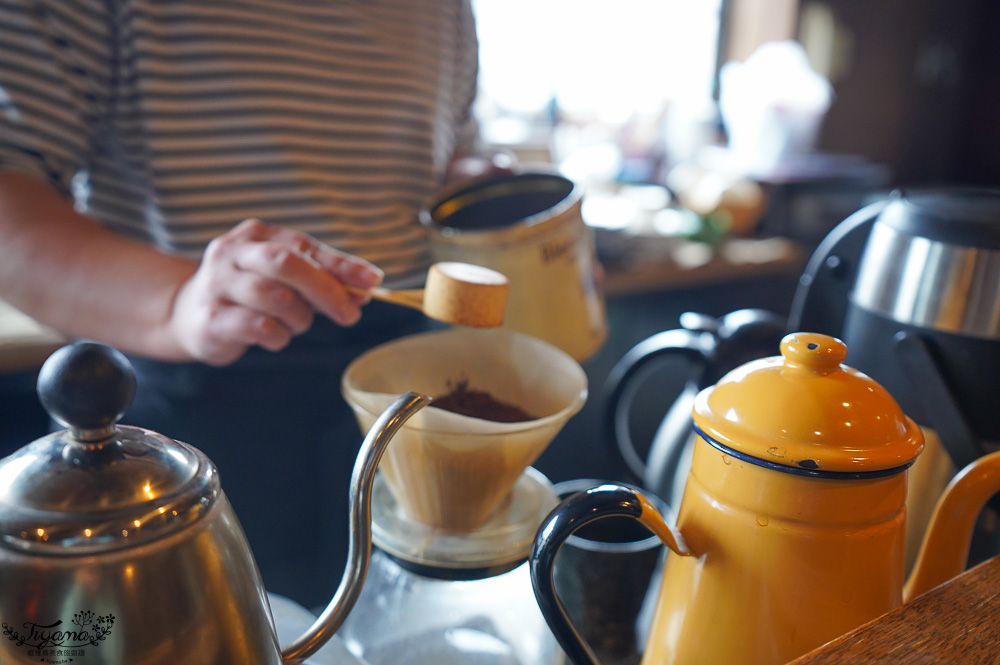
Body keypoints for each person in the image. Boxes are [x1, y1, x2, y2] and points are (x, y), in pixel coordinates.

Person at [0, 0, 499, 608]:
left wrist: (487, 199)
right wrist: (179, 303)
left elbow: (440, 160)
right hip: (197, 388)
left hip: (401, 390)